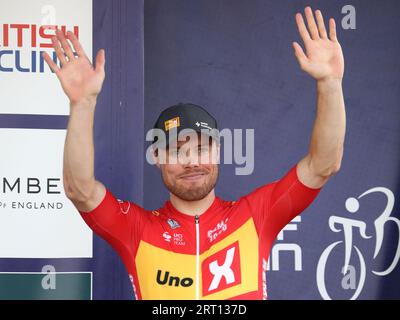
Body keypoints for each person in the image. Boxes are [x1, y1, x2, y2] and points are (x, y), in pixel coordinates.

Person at [43, 6, 345, 300]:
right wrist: (82, 105)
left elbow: (323, 165)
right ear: (158, 158)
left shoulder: (256, 215)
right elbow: (80, 190)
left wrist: (330, 84)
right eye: (176, 150)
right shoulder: (136, 229)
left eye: (201, 148)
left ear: (218, 151)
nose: (192, 161)